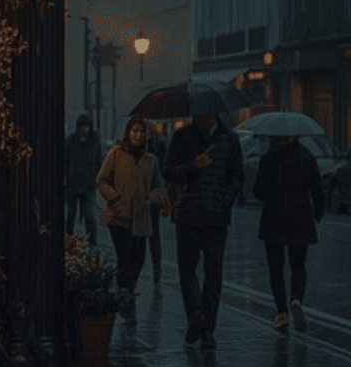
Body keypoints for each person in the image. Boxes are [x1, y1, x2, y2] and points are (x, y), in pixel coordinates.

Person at [164, 106, 244, 349]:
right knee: (187, 270)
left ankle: (207, 327)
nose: (202, 117)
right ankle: (196, 316)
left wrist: (225, 200)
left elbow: (237, 176)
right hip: (189, 214)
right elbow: (168, 171)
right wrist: (192, 166)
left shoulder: (229, 139)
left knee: (213, 272)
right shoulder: (182, 137)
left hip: (216, 217)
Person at [253, 133, 325, 332]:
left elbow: (258, 191)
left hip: (274, 217)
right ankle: (296, 299)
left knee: (276, 268)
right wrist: (318, 213)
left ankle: (281, 313)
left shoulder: (269, 159)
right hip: (301, 216)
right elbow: (317, 189)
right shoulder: (306, 156)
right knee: (298, 264)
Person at [96, 115, 165, 317]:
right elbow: (101, 180)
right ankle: (127, 302)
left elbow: (160, 186)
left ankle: (126, 292)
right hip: (119, 216)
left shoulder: (151, 160)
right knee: (125, 259)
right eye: (134, 131)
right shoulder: (116, 153)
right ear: (128, 133)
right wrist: (114, 197)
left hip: (141, 217)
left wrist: (151, 197)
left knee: (138, 259)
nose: (138, 135)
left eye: (142, 132)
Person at [65, 113, 101, 244]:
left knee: (89, 216)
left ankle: (92, 241)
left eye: (87, 126)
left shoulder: (94, 141)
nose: (85, 129)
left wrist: (98, 178)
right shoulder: (70, 141)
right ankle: (67, 239)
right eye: (82, 126)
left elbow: (99, 161)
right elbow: (66, 162)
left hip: (88, 184)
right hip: (73, 184)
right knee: (70, 214)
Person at [146, 121, 168, 281]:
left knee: (153, 233)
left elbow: (163, 172)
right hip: (141, 196)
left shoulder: (157, 147)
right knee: (151, 234)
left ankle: (157, 265)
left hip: (151, 196)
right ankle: (156, 265)